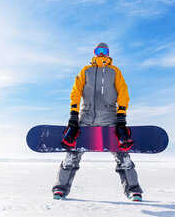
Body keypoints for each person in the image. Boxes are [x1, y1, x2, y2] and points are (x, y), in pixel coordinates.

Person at [52, 42, 143, 201]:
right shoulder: (85, 70)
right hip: (87, 115)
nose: (101, 54)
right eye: (98, 51)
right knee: (72, 154)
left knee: (123, 155)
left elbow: (123, 93)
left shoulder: (115, 71)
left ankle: (133, 190)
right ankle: (60, 189)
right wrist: (74, 115)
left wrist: (121, 117)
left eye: (104, 51)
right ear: (94, 53)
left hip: (110, 115)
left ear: (108, 54)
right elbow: (76, 91)